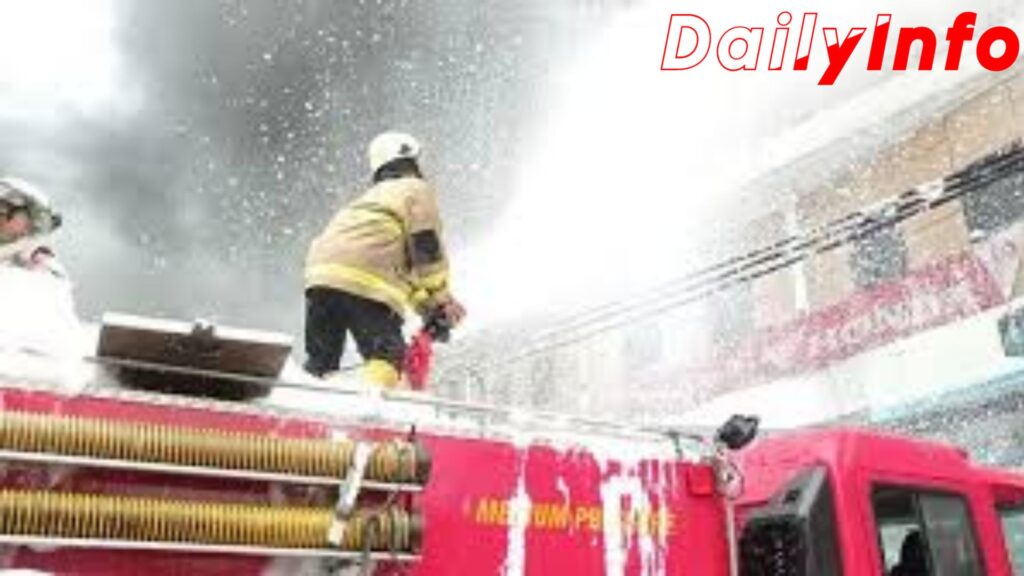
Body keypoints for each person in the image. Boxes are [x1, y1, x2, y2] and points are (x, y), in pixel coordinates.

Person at [304, 132, 466, 388]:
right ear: (411, 162)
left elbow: (397, 271)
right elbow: (425, 247)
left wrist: (428, 309)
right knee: (387, 356)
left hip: (320, 277)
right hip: (364, 277)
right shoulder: (415, 189)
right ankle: (372, 407)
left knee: (322, 361)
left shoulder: (369, 201)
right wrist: (442, 300)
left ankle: (302, 399)